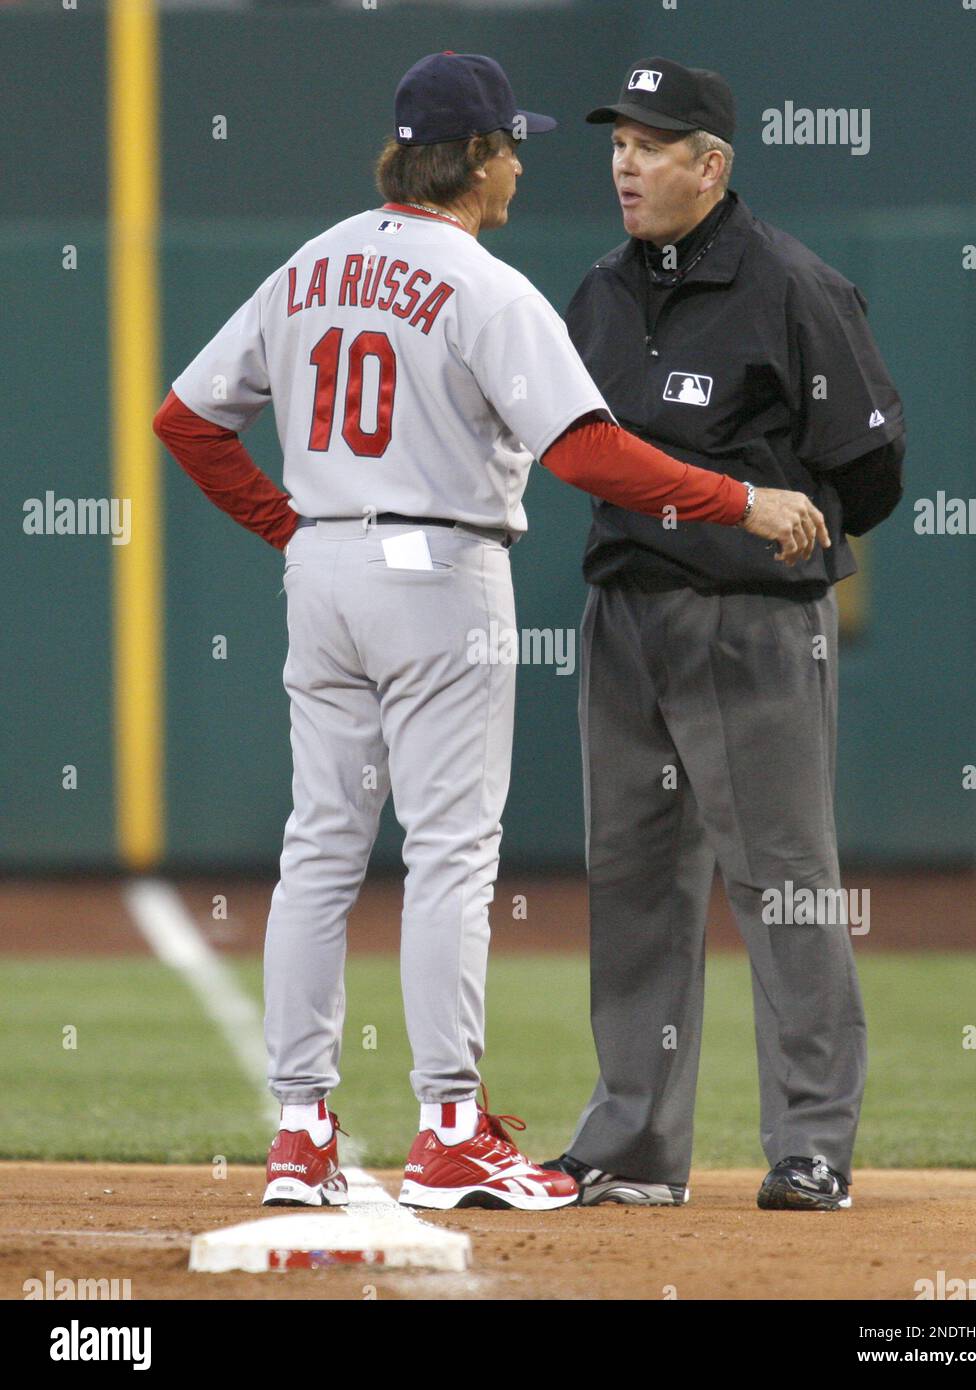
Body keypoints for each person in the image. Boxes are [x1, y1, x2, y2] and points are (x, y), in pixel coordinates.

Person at [153, 51, 825, 1213]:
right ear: (471, 159)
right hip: (436, 572)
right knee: (450, 854)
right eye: (510, 144)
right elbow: (585, 453)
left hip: (325, 569)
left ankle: (301, 1135)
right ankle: (449, 1129)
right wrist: (739, 498)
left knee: (318, 849)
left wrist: (294, 532)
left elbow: (186, 421)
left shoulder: (311, 263)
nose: (521, 160)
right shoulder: (481, 284)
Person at [544, 58, 905, 1210]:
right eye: (616, 143)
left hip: (750, 625)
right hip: (623, 620)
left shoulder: (793, 284)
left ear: (713, 164)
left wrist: (775, 547)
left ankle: (811, 1143)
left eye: (651, 145)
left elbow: (871, 464)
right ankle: (637, 1143)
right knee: (635, 883)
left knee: (785, 884)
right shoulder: (597, 291)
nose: (625, 164)